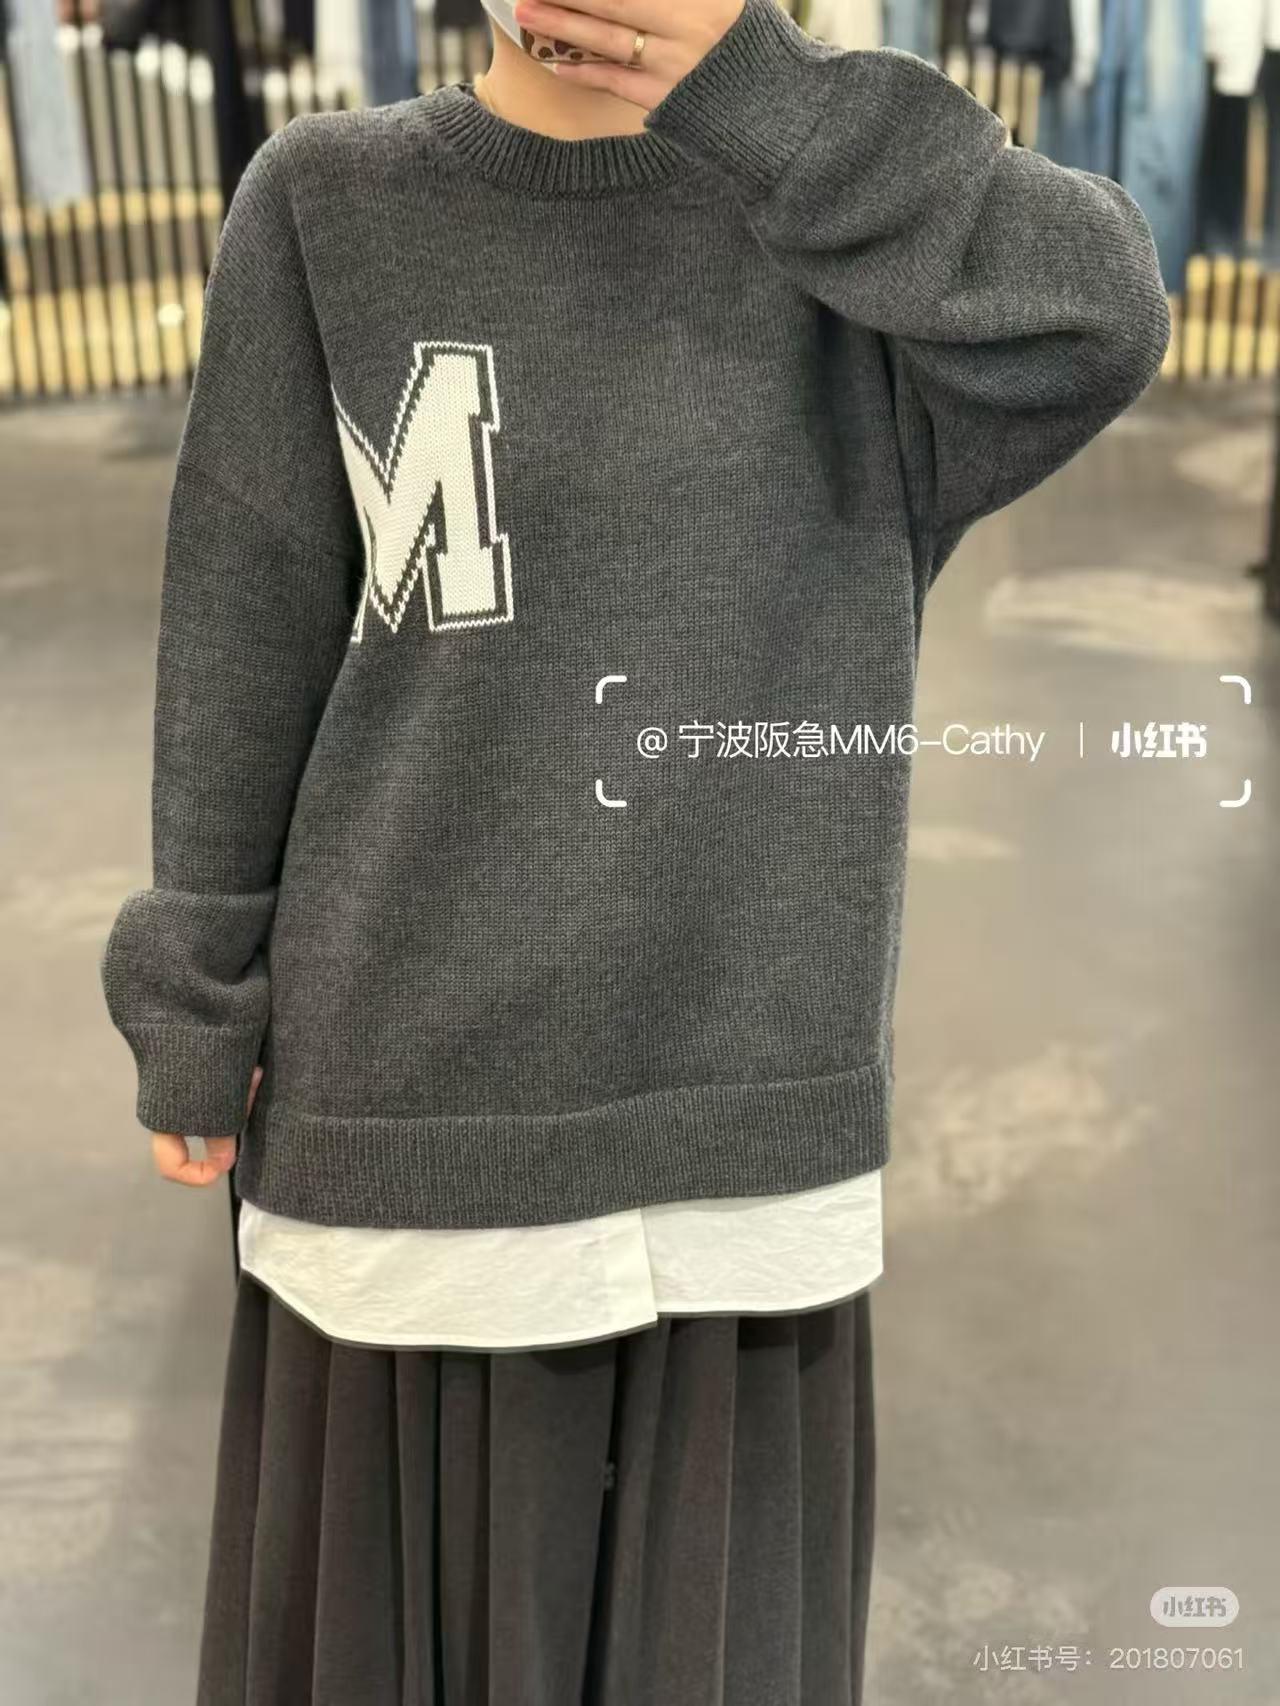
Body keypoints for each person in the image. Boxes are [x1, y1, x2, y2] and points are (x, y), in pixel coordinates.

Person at [99, 1, 1170, 1699]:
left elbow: (1099, 312)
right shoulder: (328, 202)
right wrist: (195, 982)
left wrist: (761, 91)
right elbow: (247, 620)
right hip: (411, 1138)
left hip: (742, 1147)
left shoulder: (846, 224)